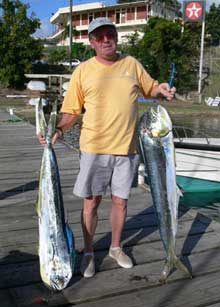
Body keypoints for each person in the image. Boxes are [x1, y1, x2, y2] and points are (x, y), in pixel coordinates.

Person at [38, 17, 176, 278]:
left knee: (121, 202)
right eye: (99, 36)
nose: (105, 40)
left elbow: (151, 89)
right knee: (91, 203)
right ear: (91, 42)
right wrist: (58, 129)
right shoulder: (83, 71)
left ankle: (115, 247)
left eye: (109, 34)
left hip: (127, 149)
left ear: (116, 36)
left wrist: (163, 90)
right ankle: (89, 252)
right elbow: (71, 112)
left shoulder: (132, 64)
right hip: (94, 147)